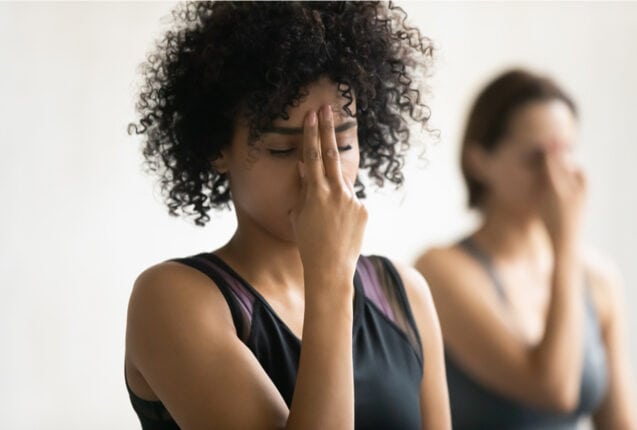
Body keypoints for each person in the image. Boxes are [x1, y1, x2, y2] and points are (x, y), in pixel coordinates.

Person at [125, 2, 451, 429]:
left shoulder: (403, 294)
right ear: (217, 148)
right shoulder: (174, 300)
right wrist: (330, 275)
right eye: (283, 148)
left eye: (343, 144)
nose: (317, 171)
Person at [416, 69, 636, 429]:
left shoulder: (599, 278)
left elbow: (620, 423)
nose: (556, 175)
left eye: (566, 153)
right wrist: (565, 244)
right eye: (536, 158)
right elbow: (554, 390)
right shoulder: (440, 271)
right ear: (479, 161)